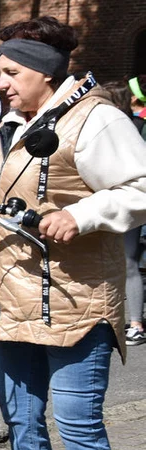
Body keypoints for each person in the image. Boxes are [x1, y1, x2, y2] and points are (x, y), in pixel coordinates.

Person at [0, 16, 146, 450]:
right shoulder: (4, 120)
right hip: (9, 298)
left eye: (10, 72)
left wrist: (81, 213)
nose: (0, 83)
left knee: (78, 425)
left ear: (45, 73)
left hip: (75, 302)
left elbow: (141, 186)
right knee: (21, 420)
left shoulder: (97, 119)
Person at [97, 81, 146, 346]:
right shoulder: (103, 129)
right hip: (103, 202)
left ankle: (136, 323)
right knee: (108, 262)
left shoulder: (134, 128)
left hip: (127, 203)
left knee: (127, 261)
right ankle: (109, 319)